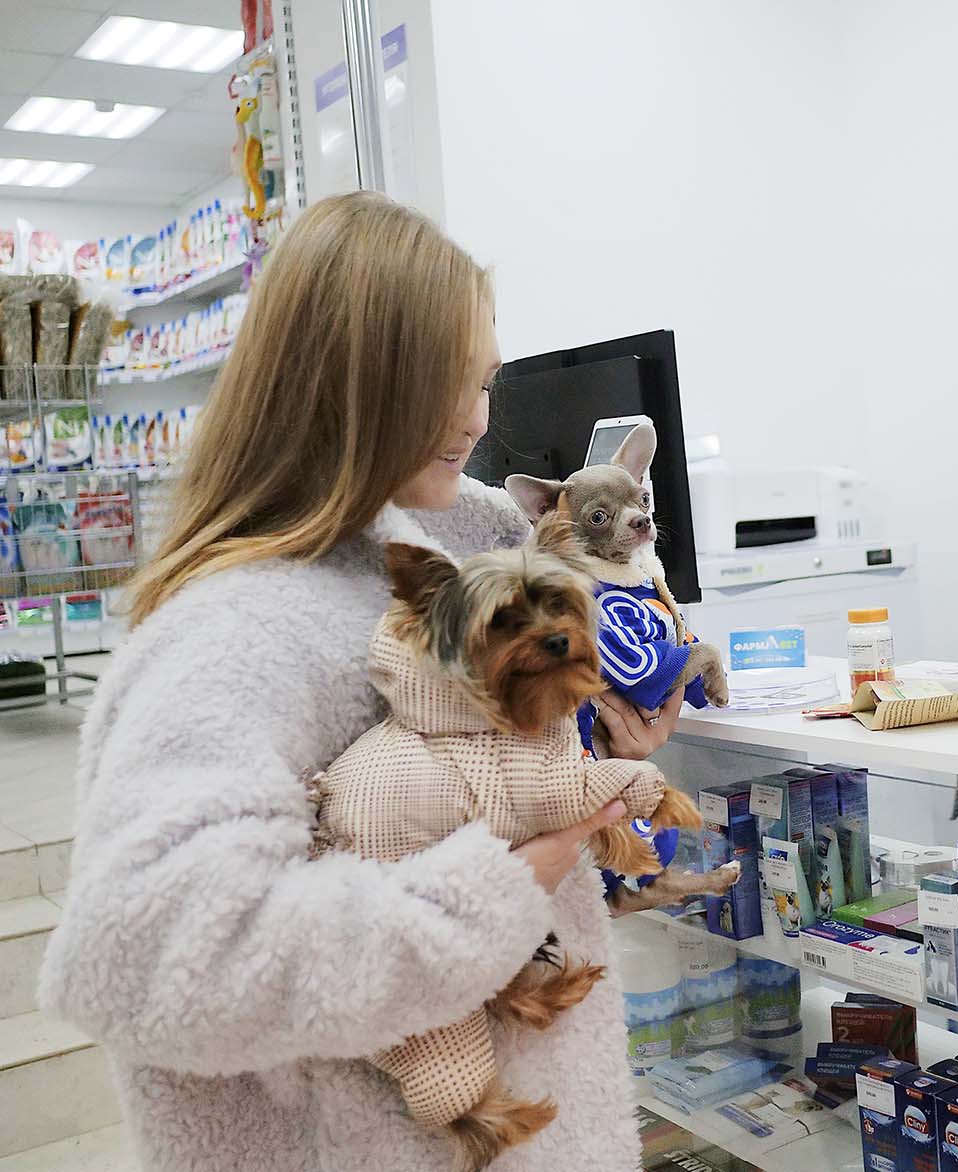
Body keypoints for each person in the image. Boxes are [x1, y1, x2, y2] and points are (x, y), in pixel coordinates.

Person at [38, 193, 672, 1170]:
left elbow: (481, 771)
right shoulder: (228, 633)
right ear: (343, 382)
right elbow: (137, 959)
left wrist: (585, 744)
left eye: (484, 381)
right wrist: (499, 886)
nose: (474, 418)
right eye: (442, 384)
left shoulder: (468, 534)